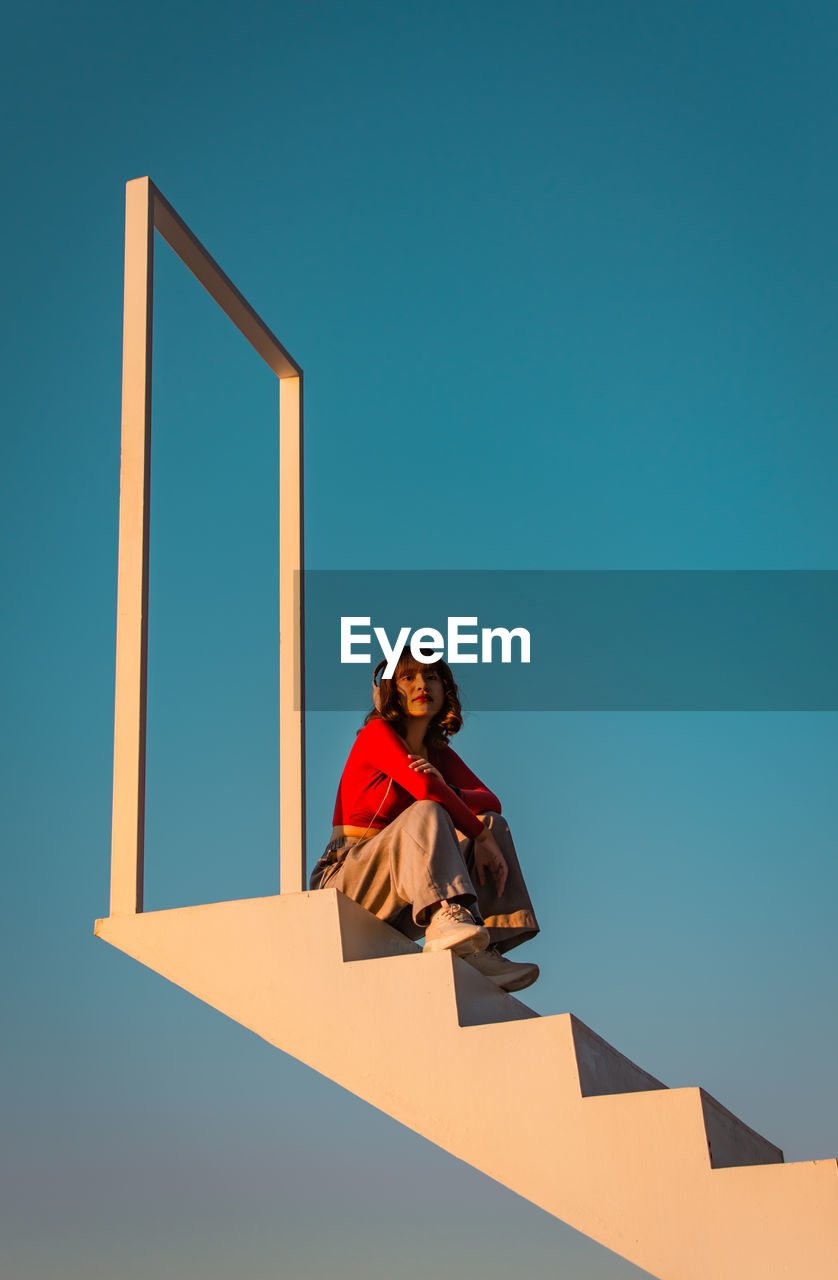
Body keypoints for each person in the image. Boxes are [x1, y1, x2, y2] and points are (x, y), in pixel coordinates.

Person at [309, 649, 540, 993]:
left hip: (401, 885)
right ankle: (447, 915)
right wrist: (476, 835)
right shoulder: (376, 734)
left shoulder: (437, 753)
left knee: (493, 823)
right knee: (429, 810)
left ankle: (482, 945)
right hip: (346, 874)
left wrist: (471, 816)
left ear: (445, 689)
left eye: (431, 677)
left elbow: (491, 800)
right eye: (408, 677)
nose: (422, 685)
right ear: (390, 690)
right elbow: (423, 788)